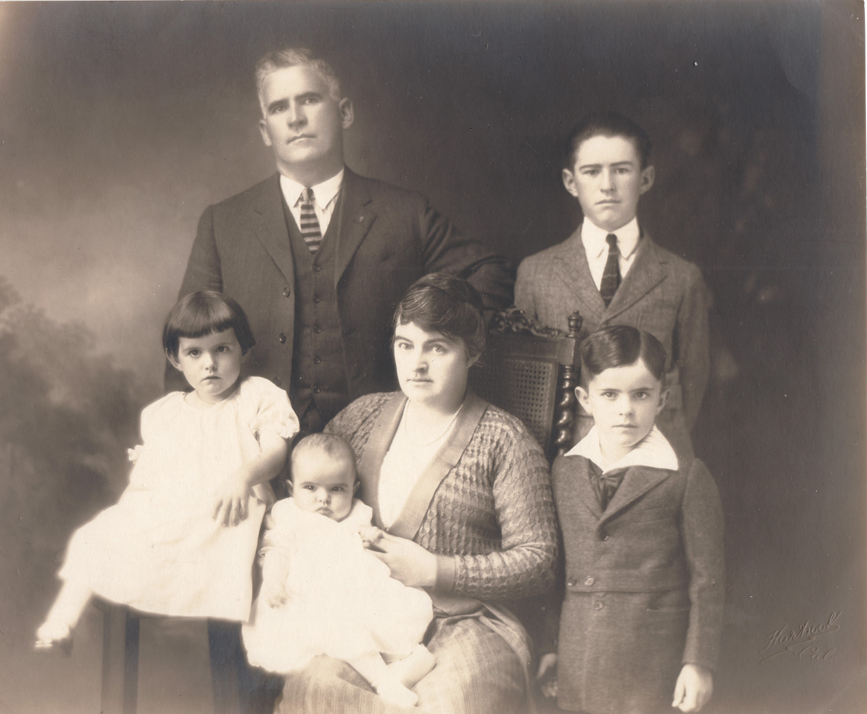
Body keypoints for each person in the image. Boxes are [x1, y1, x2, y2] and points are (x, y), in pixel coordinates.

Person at [168, 48, 514, 436]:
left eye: (310, 100)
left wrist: (436, 333)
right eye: (280, 108)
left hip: (381, 442)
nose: (296, 118)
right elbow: (187, 340)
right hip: (255, 448)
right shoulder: (223, 222)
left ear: (345, 112)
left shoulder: (405, 213)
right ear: (266, 131)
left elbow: (491, 273)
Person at [276, 273, 559, 713]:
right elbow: (306, 500)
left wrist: (435, 569)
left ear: (473, 354)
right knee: (317, 690)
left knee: (450, 703)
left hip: (466, 620)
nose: (416, 364)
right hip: (363, 614)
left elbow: (540, 561)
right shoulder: (360, 417)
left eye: (438, 347)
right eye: (405, 344)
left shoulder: (505, 441)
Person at [35, 291, 299, 651]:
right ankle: (62, 620)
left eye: (222, 349)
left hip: (230, 511)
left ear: (243, 349)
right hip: (175, 507)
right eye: (195, 352)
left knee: (196, 544)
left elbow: (276, 453)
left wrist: (243, 476)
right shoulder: (166, 413)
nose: (210, 363)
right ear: (176, 359)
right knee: (98, 535)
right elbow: (153, 480)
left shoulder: (258, 396)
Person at [538, 325, 724, 714]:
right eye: (610, 394)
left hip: (653, 656)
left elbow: (708, 579)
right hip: (580, 649)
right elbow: (556, 573)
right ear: (584, 399)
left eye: (641, 394)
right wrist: (549, 645)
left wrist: (698, 661)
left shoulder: (686, 476)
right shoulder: (563, 472)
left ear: (662, 399)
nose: (626, 409)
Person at [514, 111, 710, 462]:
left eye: (621, 170)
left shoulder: (682, 277)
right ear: (571, 182)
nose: (607, 185)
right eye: (591, 171)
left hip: (655, 462)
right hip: (565, 460)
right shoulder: (536, 272)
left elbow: (694, 381)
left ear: (646, 178)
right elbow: (528, 385)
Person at [241, 433, 436, 709]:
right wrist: (274, 581)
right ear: (290, 488)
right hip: (309, 596)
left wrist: (373, 538)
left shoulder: (356, 513)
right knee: (339, 630)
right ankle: (384, 682)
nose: (324, 499)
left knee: (386, 622)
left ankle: (404, 664)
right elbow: (277, 551)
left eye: (337, 489)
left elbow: (371, 545)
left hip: (354, 590)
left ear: (353, 488)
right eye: (310, 487)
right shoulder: (291, 517)